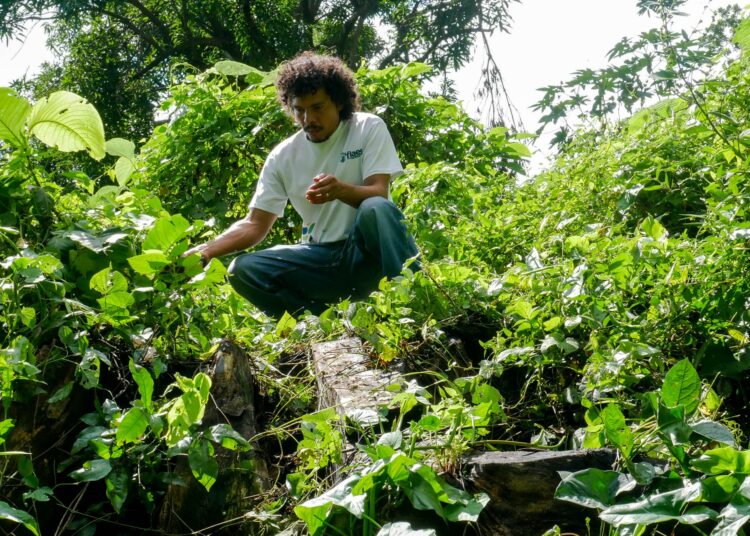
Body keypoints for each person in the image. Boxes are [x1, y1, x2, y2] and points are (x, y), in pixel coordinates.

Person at [184, 52, 419, 318]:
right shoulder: (282, 155)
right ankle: (322, 323)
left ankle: (415, 299)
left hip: (367, 255)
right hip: (321, 260)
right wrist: (205, 252)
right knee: (243, 269)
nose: (308, 119)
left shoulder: (367, 127)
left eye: (317, 107)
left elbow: (379, 192)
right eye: (300, 110)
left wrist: (340, 190)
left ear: (339, 102)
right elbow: (255, 225)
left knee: (376, 207)